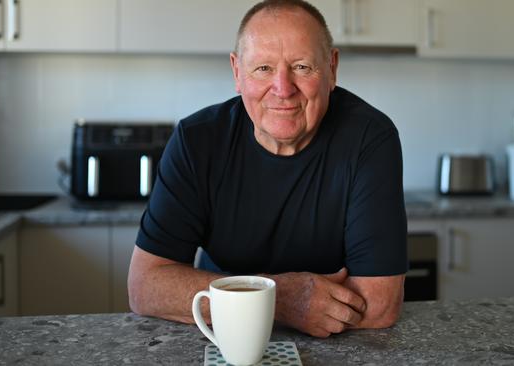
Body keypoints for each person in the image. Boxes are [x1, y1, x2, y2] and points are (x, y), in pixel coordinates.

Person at [128, 0, 407, 338]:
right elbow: (146, 286)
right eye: (263, 68)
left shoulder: (370, 138)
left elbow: (379, 304)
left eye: (302, 67)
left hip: (331, 345)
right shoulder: (196, 141)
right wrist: (283, 298)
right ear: (237, 72)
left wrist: (229, 298)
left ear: (332, 68)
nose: (283, 89)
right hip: (224, 339)